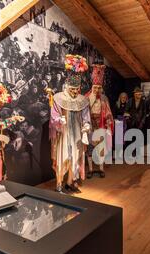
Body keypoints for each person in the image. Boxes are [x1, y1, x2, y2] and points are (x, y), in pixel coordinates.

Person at [49, 55, 91, 193]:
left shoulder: (82, 100)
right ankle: (59, 183)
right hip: (64, 132)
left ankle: (70, 181)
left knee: (76, 158)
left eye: (76, 89)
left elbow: (86, 117)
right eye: (72, 89)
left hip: (77, 133)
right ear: (67, 86)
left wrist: (86, 125)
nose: (74, 92)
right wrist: (58, 120)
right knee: (63, 157)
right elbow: (54, 115)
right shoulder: (58, 97)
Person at [85, 64, 113, 179]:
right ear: (92, 87)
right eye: (95, 87)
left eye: (99, 87)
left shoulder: (104, 98)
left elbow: (108, 113)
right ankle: (91, 169)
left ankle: (101, 168)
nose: (97, 90)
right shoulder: (86, 97)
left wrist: (109, 127)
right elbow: (83, 112)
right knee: (90, 149)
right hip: (90, 125)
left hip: (101, 125)